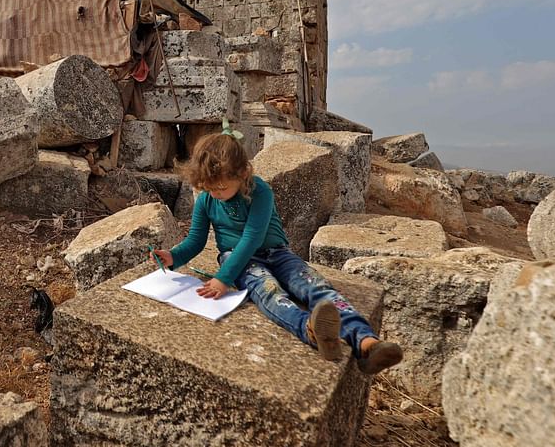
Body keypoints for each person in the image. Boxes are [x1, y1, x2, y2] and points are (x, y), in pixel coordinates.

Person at [151, 128, 403, 374]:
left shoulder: (259, 191)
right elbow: (195, 240)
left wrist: (222, 279)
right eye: (210, 189)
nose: (216, 194)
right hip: (237, 259)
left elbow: (251, 238)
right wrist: (174, 256)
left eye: (222, 188)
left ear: (242, 173)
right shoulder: (208, 199)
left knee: (315, 285)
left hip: (277, 253)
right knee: (268, 291)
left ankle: (366, 343)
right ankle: (310, 329)